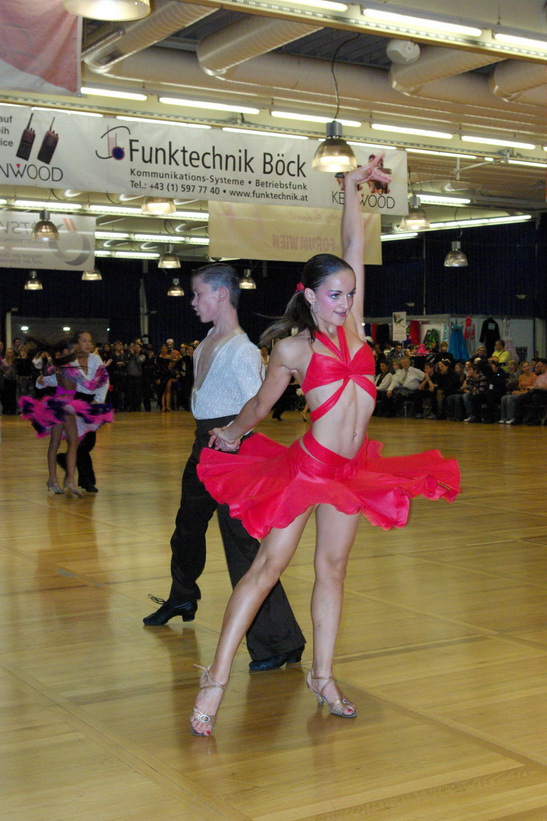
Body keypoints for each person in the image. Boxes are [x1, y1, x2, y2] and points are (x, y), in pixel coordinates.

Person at [190, 164, 460, 736]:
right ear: (310, 295)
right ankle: (215, 678)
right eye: (336, 294)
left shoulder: (355, 326)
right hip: (308, 469)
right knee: (267, 569)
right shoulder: (292, 350)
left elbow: (354, 241)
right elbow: (259, 405)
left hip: (350, 472)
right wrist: (232, 434)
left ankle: (323, 675)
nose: (346, 302)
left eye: (350, 293)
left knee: (332, 570)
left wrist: (352, 187)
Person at [143, 262, 305, 674]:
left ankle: (279, 642)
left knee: (243, 548)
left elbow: (258, 404)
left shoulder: (242, 350)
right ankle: (183, 596)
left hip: (234, 451)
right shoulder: (205, 344)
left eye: (198, 294)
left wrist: (233, 436)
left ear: (221, 294)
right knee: (186, 528)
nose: (193, 301)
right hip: (204, 446)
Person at [19, 338, 113, 496]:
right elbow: (89, 385)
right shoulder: (69, 368)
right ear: (64, 352)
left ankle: (53, 480)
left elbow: (46, 377)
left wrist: (42, 377)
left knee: (55, 443)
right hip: (66, 407)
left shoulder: (59, 367)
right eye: (73, 350)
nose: (76, 352)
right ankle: (69, 480)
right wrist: (102, 371)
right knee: (73, 443)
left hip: (56, 406)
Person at [55, 331, 111, 492]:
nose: (87, 344)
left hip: (92, 403)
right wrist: (42, 380)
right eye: (84, 340)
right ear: (76, 343)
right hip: (74, 402)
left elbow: (104, 380)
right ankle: (87, 480)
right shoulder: (70, 361)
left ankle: (67, 461)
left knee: (88, 443)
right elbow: (58, 378)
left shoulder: (95, 359)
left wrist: (98, 400)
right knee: (79, 443)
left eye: (89, 341)